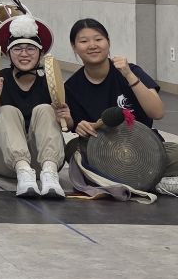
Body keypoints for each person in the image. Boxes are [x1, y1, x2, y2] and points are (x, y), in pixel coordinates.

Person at [64, 18, 178, 195]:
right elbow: (78, 126)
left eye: (98, 39)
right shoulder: (72, 86)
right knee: (73, 150)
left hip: (143, 147)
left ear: (108, 42)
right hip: (103, 152)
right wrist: (81, 126)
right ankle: (151, 181)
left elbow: (157, 112)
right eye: (84, 41)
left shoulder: (131, 71)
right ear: (74, 47)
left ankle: (122, 181)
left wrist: (129, 75)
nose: (92, 45)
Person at [0, 15, 66, 198]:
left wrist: (63, 115)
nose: (24, 54)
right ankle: (23, 173)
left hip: (41, 160)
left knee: (45, 109)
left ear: (40, 53)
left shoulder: (49, 82)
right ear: (8, 53)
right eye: (18, 49)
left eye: (30, 48)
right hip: (4, 160)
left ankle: (50, 174)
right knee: (7, 110)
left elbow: (66, 124)